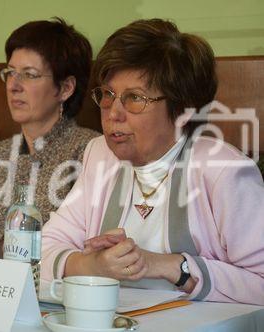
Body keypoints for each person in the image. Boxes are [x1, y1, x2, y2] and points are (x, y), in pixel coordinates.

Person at [41, 18, 264, 305]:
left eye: (135, 98)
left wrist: (170, 266)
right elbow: (42, 248)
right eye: (108, 95)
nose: (113, 113)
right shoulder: (100, 155)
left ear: (181, 108)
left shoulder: (224, 171)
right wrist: (91, 265)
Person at [0, 18, 99, 257]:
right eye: (10, 73)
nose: (13, 86)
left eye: (29, 75)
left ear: (66, 88)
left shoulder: (90, 152)